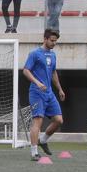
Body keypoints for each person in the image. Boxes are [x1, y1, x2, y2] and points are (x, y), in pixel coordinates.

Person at [23, 29, 65, 161]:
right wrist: (37, 82)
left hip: (49, 93)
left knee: (58, 120)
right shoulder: (35, 53)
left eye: (55, 41)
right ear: (45, 39)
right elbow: (26, 70)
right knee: (38, 121)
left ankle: (43, 140)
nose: (54, 43)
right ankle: (34, 152)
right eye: (52, 40)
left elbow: (53, 73)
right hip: (36, 92)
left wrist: (59, 89)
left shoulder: (52, 55)